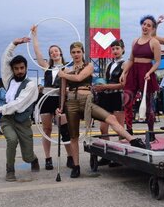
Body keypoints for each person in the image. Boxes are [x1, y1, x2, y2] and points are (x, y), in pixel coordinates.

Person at [58, 41, 146, 178]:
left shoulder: (88, 66)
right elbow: (62, 90)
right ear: (70, 54)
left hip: (87, 101)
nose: (76, 54)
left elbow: (79, 77)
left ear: (82, 53)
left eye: (78, 52)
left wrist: (63, 75)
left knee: (111, 118)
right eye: (73, 52)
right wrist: (60, 107)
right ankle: (76, 166)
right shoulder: (66, 69)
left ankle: (132, 140)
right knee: (73, 136)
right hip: (71, 103)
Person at [0, 37, 40, 181]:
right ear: (13, 70)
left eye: (22, 68)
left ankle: (33, 159)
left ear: (26, 68)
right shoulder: (8, 80)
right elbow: (5, 59)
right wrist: (14, 44)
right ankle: (10, 170)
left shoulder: (31, 85)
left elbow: (19, 104)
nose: (19, 71)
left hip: (23, 121)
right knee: (12, 140)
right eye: (16, 69)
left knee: (27, 157)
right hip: (7, 120)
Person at [30, 25, 73, 170]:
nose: (53, 53)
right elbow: (37, 51)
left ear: (60, 52)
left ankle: (70, 157)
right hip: (46, 99)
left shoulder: (68, 68)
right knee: (47, 129)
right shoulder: (46, 66)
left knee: (64, 129)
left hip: (60, 99)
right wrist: (34, 35)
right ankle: (48, 158)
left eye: (56, 50)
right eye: (51, 52)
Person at [120, 15, 161, 139]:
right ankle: (129, 130)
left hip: (146, 72)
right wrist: (124, 72)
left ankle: (151, 133)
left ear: (153, 28)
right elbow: (131, 59)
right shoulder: (134, 41)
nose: (146, 27)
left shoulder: (155, 42)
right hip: (134, 71)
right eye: (144, 24)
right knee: (127, 100)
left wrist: (149, 72)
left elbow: (158, 62)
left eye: (149, 25)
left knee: (149, 104)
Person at [92, 39, 126, 167]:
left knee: (119, 128)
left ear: (123, 49)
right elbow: (106, 80)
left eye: (117, 48)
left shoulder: (125, 64)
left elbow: (124, 85)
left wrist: (105, 86)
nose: (115, 51)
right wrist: (100, 86)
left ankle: (120, 156)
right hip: (106, 96)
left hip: (118, 95)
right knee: (103, 127)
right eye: (113, 49)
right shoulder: (108, 64)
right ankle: (107, 154)